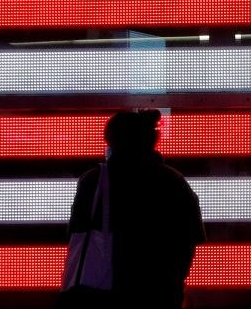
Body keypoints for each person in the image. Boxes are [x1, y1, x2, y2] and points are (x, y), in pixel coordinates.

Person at [65, 109, 206, 309]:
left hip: (102, 290)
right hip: (159, 291)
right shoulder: (173, 181)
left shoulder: (94, 180)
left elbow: (76, 233)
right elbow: (190, 238)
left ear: (111, 140)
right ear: (151, 140)